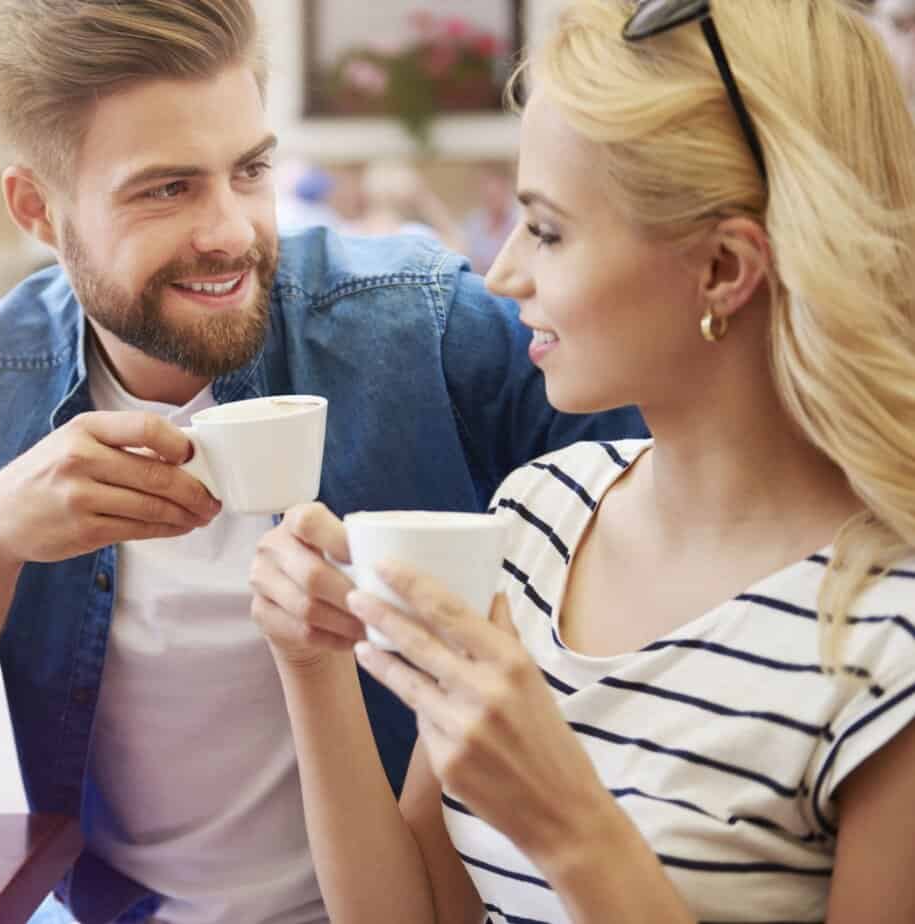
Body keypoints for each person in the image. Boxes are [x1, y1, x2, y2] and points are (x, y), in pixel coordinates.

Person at [0, 1, 641, 922]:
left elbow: (665, 511)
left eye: (248, 171)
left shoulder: (423, 329)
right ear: (36, 209)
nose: (231, 231)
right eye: (165, 189)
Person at [249, 0, 915, 921]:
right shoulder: (538, 514)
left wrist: (568, 826)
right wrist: (313, 667)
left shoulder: (887, 639)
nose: (503, 274)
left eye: (549, 231)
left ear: (724, 268)